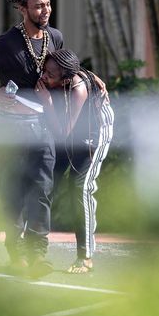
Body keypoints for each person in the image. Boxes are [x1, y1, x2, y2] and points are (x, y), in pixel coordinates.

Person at [0, 0, 62, 277]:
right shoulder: (6, 44)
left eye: (47, 5)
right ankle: (16, 252)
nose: (45, 11)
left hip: (44, 128)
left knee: (42, 191)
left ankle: (38, 254)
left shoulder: (56, 37)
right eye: (38, 6)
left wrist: (94, 80)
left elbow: (69, 71)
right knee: (14, 193)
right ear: (23, 9)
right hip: (11, 129)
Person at [35, 49, 113, 273]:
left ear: (66, 79)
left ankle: (85, 256)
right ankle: (32, 246)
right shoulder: (61, 73)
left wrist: (47, 102)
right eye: (44, 70)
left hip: (93, 134)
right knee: (47, 179)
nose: (44, 77)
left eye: (50, 74)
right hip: (69, 130)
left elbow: (63, 134)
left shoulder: (77, 89)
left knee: (80, 189)